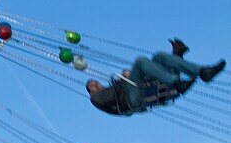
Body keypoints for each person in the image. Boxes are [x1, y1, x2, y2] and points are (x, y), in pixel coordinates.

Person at [87, 39, 225, 116]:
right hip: (131, 99)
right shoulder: (96, 98)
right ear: (91, 92)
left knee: (159, 57)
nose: (95, 84)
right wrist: (124, 80)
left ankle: (201, 71)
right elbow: (115, 103)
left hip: (136, 90)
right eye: (92, 86)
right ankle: (176, 81)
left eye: (95, 82)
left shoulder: (112, 87)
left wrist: (125, 79)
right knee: (140, 61)